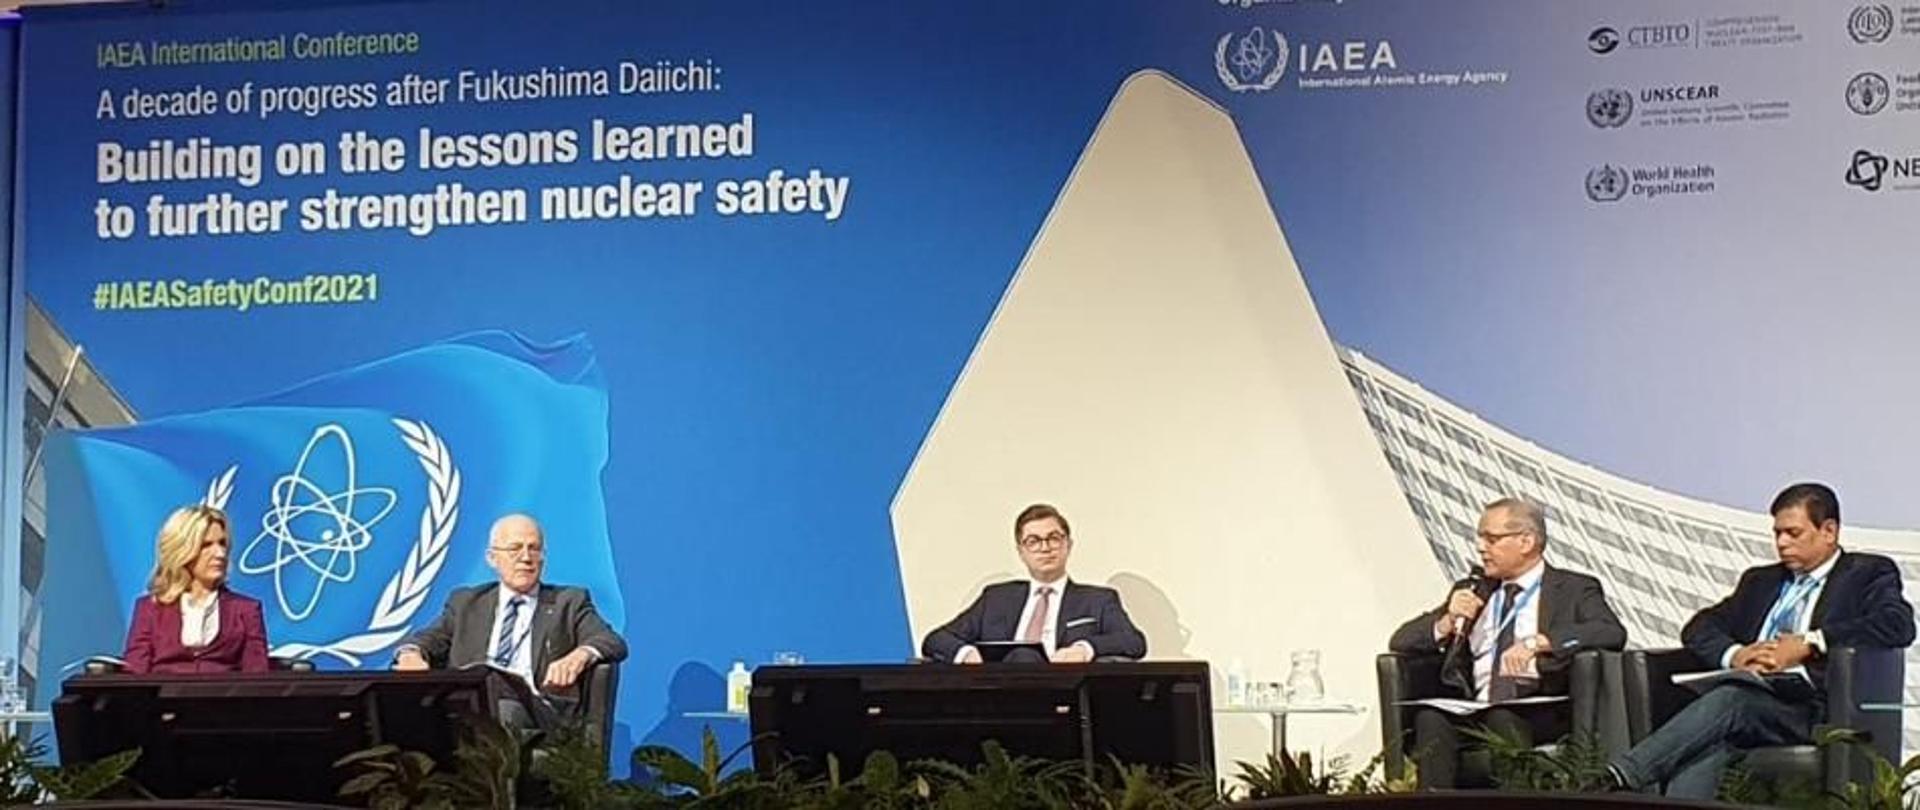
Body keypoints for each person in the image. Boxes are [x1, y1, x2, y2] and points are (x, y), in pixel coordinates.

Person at [1607, 483, 1915, 798]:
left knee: (1731, 700)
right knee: (1706, 747)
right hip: (1754, 693)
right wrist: (1735, 655)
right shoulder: (1761, 581)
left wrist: (1811, 643)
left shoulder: (1867, 573)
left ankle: (1619, 778)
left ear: (1829, 531)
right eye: (1777, 533)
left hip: (1812, 706)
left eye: (1793, 533)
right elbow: (1699, 626)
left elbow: (1898, 624)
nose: (1781, 543)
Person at [1388, 497, 1627, 789]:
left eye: (1491, 539)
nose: (1481, 548)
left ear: (1526, 541)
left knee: (1504, 717)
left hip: (1536, 708)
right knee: (1431, 720)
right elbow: (1401, 641)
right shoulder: (1474, 589)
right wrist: (1447, 621)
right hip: (1473, 708)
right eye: (1480, 539)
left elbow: (1610, 632)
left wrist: (1544, 641)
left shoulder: (1573, 588)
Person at [394, 513, 627, 727]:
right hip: (470, 703)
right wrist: (410, 654)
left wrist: (579, 656)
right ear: (492, 558)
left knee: (501, 709)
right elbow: (427, 639)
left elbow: (610, 640)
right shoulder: (466, 602)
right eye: (515, 549)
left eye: (534, 549)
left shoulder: (568, 602)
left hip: (535, 710)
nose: (526, 558)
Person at [922, 504, 1146, 664]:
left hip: (1066, 696)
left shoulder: (1098, 600)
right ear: (1021, 551)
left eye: (1054, 538)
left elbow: (1134, 642)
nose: (1045, 547)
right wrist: (967, 654)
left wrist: (1085, 649)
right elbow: (936, 640)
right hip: (1000, 696)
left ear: (1068, 544)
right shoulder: (996, 599)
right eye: (1034, 541)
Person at [123, 504, 271, 674]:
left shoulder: (246, 610)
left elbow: (257, 678)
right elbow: (135, 675)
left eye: (222, 544)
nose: (220, 554)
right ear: (182, 550)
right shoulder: (149, 609)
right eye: (206, 545)